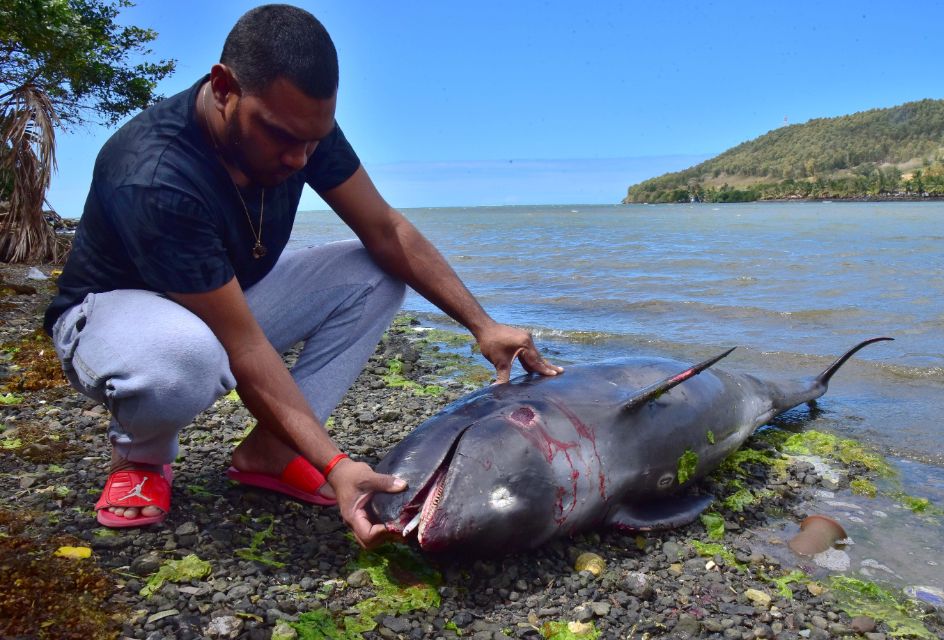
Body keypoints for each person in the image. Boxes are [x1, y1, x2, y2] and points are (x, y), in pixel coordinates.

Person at [44, 4, 562, 548]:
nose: (298, 158)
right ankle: (141, 458)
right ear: (223, 88)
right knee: (185, 357)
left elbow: (385, 229)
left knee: (376, 273)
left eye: (313, 139)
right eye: (282, 136)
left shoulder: (300, 129)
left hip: (220, 301)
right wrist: (336, 465)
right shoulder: (155, 174)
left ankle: (272, 450)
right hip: (113, 319)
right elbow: (242, 345)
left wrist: (482, 324)